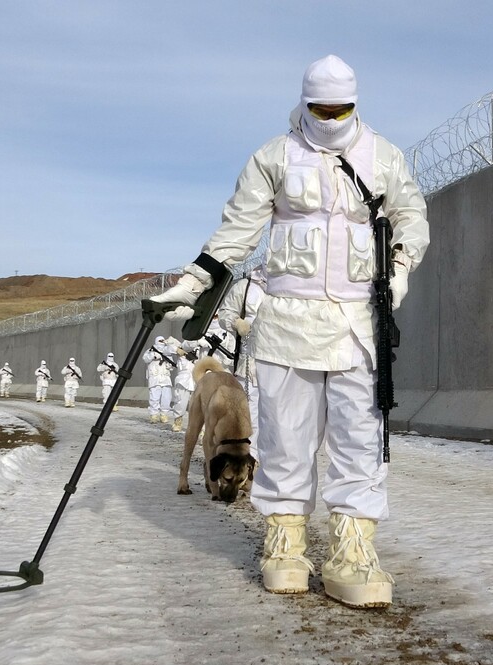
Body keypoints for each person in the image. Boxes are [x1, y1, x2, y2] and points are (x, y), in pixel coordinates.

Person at [150, 55, 429, 608]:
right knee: (285, 439)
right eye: (320, 108)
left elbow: (412, 216)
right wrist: (195, 279)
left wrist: (398, 268)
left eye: (340, 109)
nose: (329, 118)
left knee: (360, 440)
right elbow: (238, 228)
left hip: (357, 323)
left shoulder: (384, 156)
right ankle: (284, 543)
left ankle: (353, 549)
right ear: (303, 103)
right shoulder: (274, 157)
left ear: (355, 104)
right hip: (288, 323)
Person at [216, 265, 267, 458]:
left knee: (279, 418)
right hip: (250, 362)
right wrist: (236, 323)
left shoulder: (295, 284)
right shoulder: (245, 287)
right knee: (249, 416)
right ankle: (250, 460)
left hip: (284, 360)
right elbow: (225, 312)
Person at [142, 336, 175, 424]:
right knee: (154, 397)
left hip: (165, 377)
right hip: (155, 377)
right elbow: (145, 358)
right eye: (159, 340)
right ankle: (154, 415)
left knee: (166, 398)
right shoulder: (150, 350)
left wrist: (168, 365)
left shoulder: (167, 350)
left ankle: (164, 414)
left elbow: (171, 364)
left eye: (162, 340)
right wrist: (153, 356)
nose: (161, 342)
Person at [169, 339, 196, 433]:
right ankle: (178, 421)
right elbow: (167, 348)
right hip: (183, 380)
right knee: (180, 402)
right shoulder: (180, 351)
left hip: (196, 379)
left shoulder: (200, 351)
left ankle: (196, 426)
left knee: (197, 405)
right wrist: (177, 349)